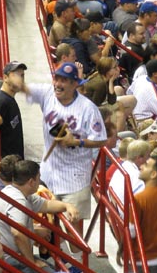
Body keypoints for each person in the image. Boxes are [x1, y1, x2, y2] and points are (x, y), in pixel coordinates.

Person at [25, 62, 107, 235]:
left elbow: (100, 140)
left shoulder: (88, 108)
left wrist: (76, 142)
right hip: (48, 174)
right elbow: (23, 87)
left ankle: (76, 261)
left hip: (74, 179)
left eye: (64, 80)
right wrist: (14, 79)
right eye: (57, 78)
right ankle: (57, 258)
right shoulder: (47, 93)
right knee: (46, 227)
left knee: (73, 232)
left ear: (74, 84)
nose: (58, 84)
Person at [0, 61, 27, 158]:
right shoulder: (0, 101)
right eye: (16, 75)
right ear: (5, 78)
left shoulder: (9, 99)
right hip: (7, 165)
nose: (20, 79)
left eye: (22, 75)